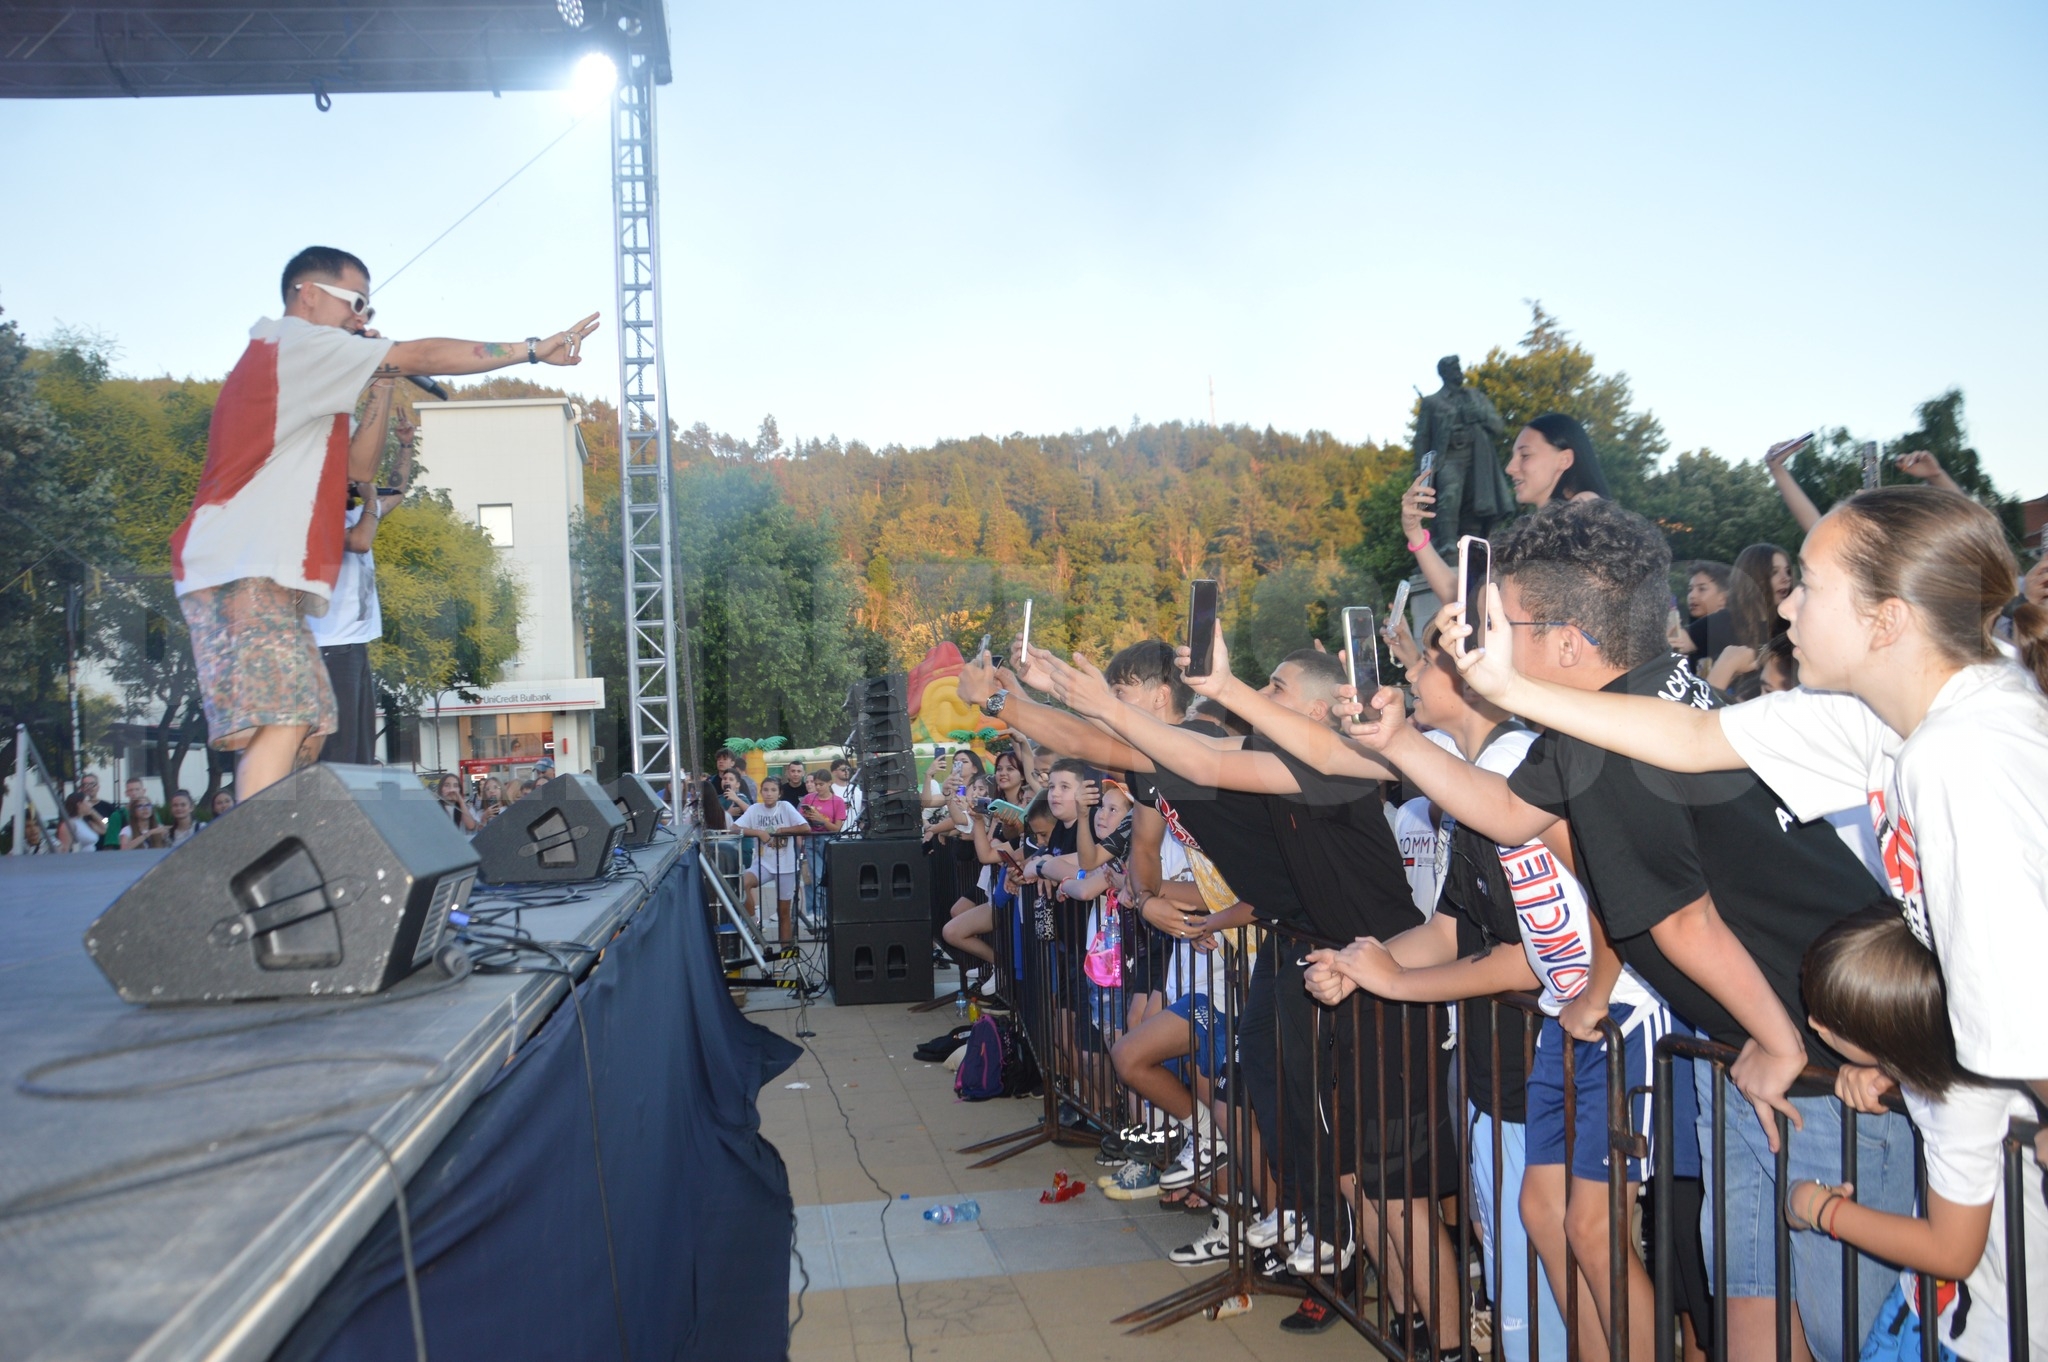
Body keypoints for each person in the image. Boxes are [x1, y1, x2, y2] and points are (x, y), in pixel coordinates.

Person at [1391, 495, 1922, 1362]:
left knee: (1847, 1331)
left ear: (1567, 642)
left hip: (1835, 1059)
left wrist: (1776, 1036)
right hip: (1755, 1052)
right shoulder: (1618, 706)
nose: (1489, 647)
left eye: (1507, 623)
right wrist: (1400, 746)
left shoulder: (1611, 744)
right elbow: (1509, 812)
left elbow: (1684, 921)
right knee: (1750, 1309)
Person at [1440, 484, 2048, 1159]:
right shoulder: (1864, 715)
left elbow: (2023, 988)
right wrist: (1511, 689)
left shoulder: (1964, 752)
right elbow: (1696, 741)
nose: (1784, 605)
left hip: (2008, 1109)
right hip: (1957, 1086)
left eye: (1809, 587)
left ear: (1887, 621)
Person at [171, 245, 599, 800]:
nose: (360, 319)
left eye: (367, 312)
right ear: (307, 293)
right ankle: (251, 863)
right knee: (286, 718)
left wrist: (379, 381)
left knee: (306, 728)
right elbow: (423, 353)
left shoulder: (307, 372)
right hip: (240, 565)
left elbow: (358, 471)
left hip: (256, 574)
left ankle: (278, 848)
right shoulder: (294, 342)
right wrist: (532, 350)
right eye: (355, 303)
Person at [1795, 910, 2048, 1362]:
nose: (1815, 1027)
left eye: (1833, 1024)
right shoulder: (1952, 1058)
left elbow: (1951, 1250)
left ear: (1886, 1034)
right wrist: (1889, 1075)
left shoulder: (1959, 1101)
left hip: (1987, 1337)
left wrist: (1820, 1208)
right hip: (1937, 1312)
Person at [1402, 410, 1613, 605]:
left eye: (1525, 455)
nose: (1510, 468)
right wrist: (1415, 532)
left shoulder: (1586, 508)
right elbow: (1465, 601)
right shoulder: (1539, 530)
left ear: (1564, 459)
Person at [307, 411, 410, 764]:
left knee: (362, 743)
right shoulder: (315, 520)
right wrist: (368, 499)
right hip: (330, 645)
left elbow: (396, 491)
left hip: (354, 643)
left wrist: (406, 445)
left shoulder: (356, 515)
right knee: (341, 745)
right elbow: (361, 542)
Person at [735, 776, 807, 945]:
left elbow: (805, 827)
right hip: (763, 862)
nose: (769, 794)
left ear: (779, 793)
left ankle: (785, 955)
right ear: (760, 792)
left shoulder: (786, 807)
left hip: (786, 865)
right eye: (765, 790)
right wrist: (758, 832)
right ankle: (754, 922)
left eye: (773, 790)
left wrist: (784, 830)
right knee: (742, 884)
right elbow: (734, 828)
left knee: (783, 912)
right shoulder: (755, 809)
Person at [1683, 561, 1735, 661]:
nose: (1692, 595)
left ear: (1723, 597)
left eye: (1702, 589)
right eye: (1690, 589)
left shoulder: (1726, 622)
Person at [99, 775, 149, 849]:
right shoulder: (117, 815)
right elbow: (111, 844)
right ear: (126, 793)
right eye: (131, 790)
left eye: (137, 789)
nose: (134, 793)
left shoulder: (150, 812)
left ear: (144, 791)